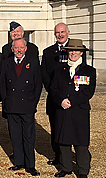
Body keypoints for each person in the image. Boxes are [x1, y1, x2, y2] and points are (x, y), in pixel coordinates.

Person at [41, 22, 87, 166]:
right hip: (55, 99)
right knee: (56, 129)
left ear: (68, 33)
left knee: (76, 130)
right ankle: (58, 157)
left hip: (74, 101)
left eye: (62, 32)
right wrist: (57, 96)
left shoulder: (76, 49)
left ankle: (79, 159)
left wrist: (70, 98)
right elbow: (45, 75)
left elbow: (82, 75)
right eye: (57, 33)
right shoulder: (48, 52)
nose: (60, 35)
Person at [50, 39, 95, 178]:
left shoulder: (89, 71)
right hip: (62, 110)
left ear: (81, 52)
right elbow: (53, 89)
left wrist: (72, 101)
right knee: (64, 141)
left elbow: (88, 91)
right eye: (71, 50)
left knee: (80, 142)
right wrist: (61, 101)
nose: (73, 53)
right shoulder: (59, 70)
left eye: (76, 50)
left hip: (79, 111)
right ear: (67, 52)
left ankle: (82, 170)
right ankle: (66, 168)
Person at [0, 38, 42, 176]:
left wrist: (33, 102)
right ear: (12, 49)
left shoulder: (34, 63)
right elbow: (2, 85)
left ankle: (30, 165)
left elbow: (38, 85)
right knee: (15, 135)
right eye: (16, 48)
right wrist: (6, 102)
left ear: (25, 49)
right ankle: (19, 162)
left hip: (27, 106)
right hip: (12, 106)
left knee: (29, 137)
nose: (18, 50)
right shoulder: (6, 63)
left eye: (21, 47)